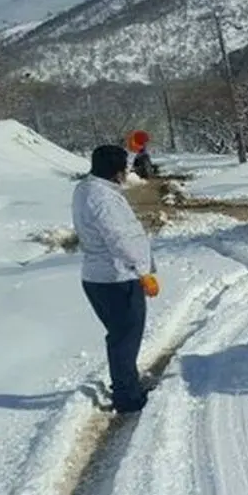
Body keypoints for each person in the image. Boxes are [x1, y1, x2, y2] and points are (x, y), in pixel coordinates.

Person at [72, 144, 160, 414]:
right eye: (124, 168)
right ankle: (128, 397)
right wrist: (144, 273)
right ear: (116, 172)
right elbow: (120, 239)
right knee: (126, 338)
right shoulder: (103, 199)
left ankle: (127, 383)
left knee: (121, 336)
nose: (127, 173)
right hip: (117, 277)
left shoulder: (88, 188)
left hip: (98, 277)